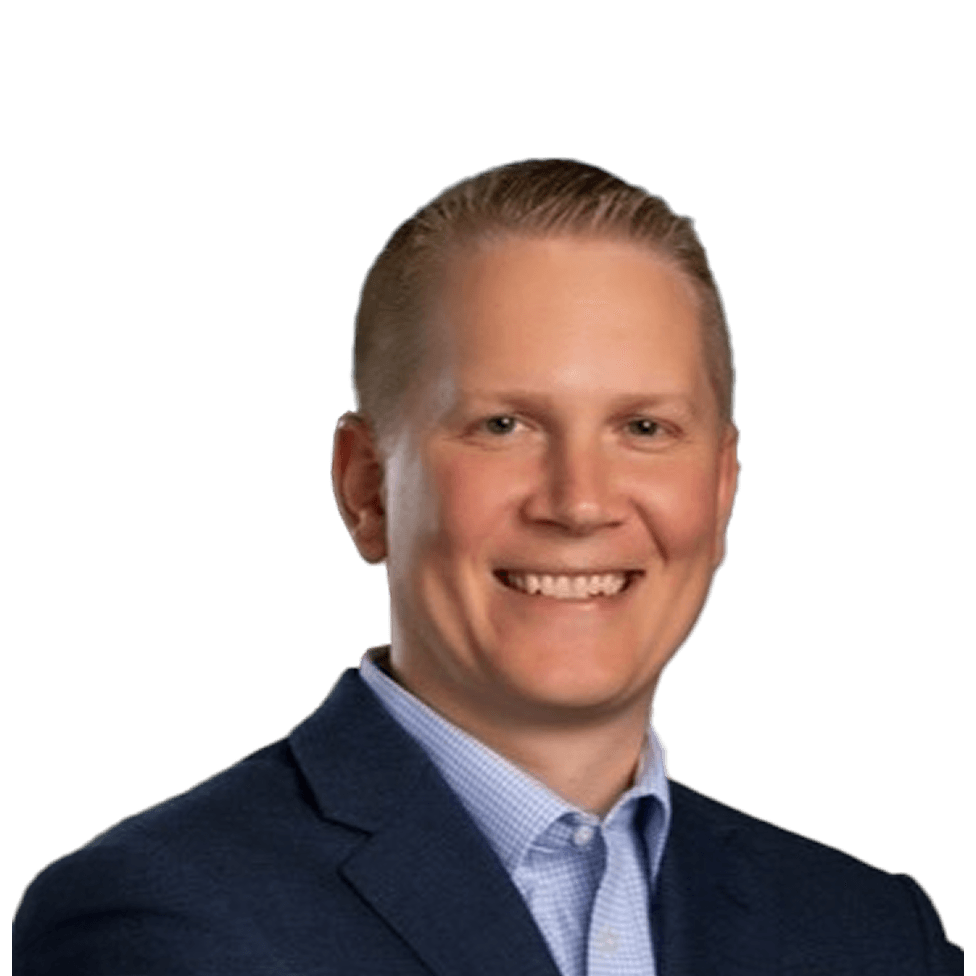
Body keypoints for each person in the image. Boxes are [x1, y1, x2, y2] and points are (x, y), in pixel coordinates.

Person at [13, 158, 962, 975]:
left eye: (644, 428)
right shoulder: (166, 922)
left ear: (719, 492)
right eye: (503, 425)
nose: (581, 501)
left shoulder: (872, 934)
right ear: (366, 488)